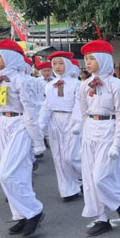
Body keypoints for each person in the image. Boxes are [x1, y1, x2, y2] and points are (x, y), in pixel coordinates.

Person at [0, 39, 47, 238]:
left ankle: (34, 210)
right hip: (2, 126)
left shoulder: (21, 80)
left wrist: (37, 141)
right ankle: (22, 215)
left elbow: (30, 113)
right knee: (20, 175)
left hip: (20, 127)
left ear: (10, 58)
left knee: (7, 173)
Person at [77, 39, 120, 236]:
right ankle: (101, 218)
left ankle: (119, 203)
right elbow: (83, 111)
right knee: (90, 179)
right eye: (86, 59)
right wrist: (83, 133)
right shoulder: (84, 85)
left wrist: (117, 143)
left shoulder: (115, 84)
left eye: (92, 58)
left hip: (108, 129)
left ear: (103, 59)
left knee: (101, 176)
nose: (88, 62)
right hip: (90, 130)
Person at [39, 51, 83, 201]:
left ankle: (83, 177)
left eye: (61, 63)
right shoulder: (50, 85)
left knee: (72, 156)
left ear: (68, 64)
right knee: (58, 157)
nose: (57, 67)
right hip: (55, 121)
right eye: (55, 64)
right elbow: (46, 106)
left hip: (71, 120)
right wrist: (41, 125)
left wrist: (77, 123)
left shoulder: (77, 84)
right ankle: (68, 190)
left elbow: (79, 104)